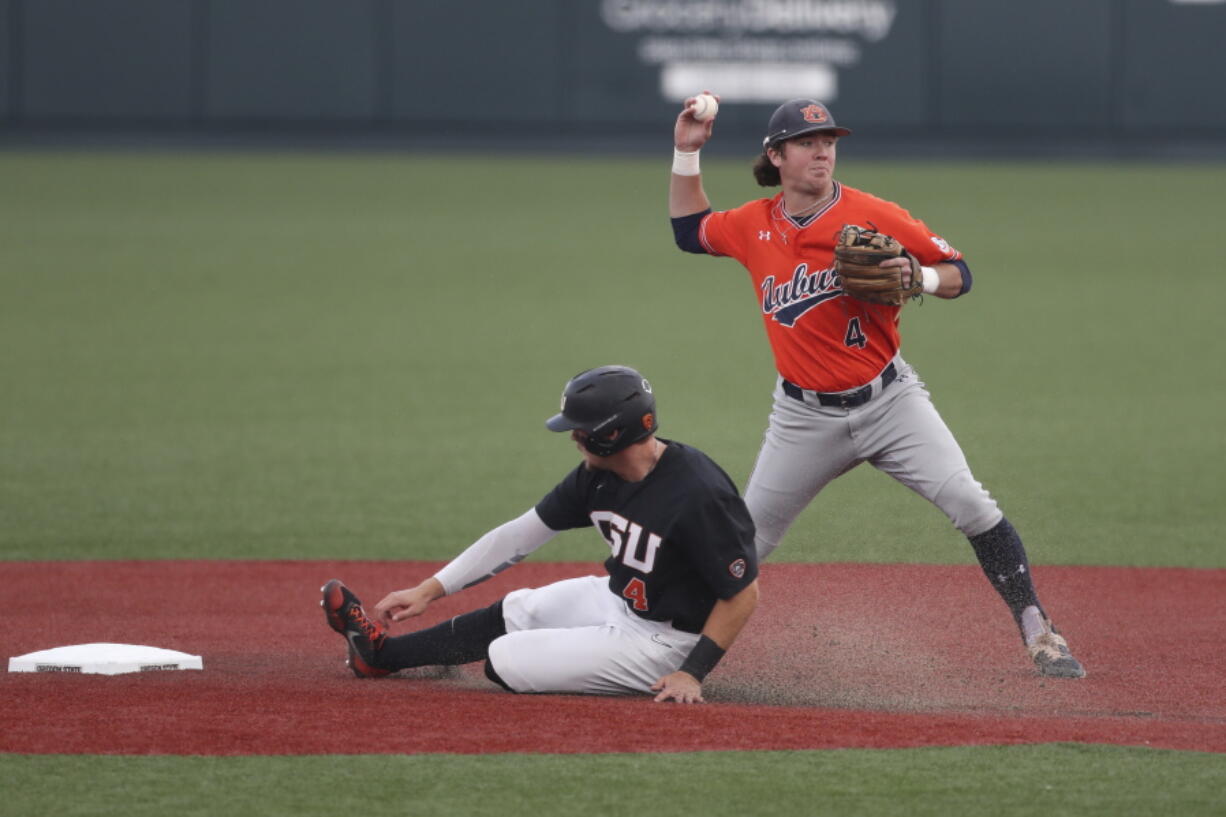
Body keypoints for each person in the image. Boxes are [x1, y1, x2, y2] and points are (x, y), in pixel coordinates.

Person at [666, 95, 1085, 679]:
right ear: (777, 155)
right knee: (746, 546)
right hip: (802, 419)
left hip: (890, 401)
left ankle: (1038, 627)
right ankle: (663, 644)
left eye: (829, 141)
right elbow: (689, 231)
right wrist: (687, 150)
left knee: (969, 502)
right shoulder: (752, 226)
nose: (822, 151)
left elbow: (960, 272)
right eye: (808, 142)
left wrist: (922, 276)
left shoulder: (874, 214)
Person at [321, 365, 760, 702]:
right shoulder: (596, 476)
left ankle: (607, 662)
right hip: (622, 598)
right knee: (518, 610)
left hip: (667, 642)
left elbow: (742, 593)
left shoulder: (698, 493)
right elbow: (520, 535)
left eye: (580, 430)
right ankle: (379, 657)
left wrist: (692, 672)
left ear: (611, 434)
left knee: (504, 660)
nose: (573, 437)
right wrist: (430, 589)